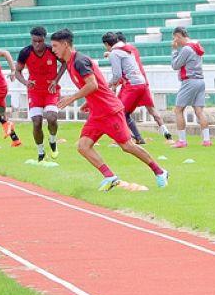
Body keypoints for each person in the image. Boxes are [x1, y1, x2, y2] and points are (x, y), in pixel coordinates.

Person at [50, 29, 168, 191]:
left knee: (127, 146)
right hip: (97, 113)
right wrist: (89, 102)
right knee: (83, 146)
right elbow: (96, 86)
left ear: (65, 45)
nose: (53, 50)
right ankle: (110, 176)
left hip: (109, 110)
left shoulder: (79, 61)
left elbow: (93, 84)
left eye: (55, 46)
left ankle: (160, 171)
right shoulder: (69, 62)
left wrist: (72, 98)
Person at [110, 32, 173, 142]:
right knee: (152, 110)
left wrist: (114, 84)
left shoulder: (119, 52)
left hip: (132, 84)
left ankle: (129, 137)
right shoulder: (131, 50)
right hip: (143, 83)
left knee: (120, 111)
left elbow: (122, 72)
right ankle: (167, 134)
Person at [14, 26, 61, 160]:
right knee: (36, 122)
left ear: (44, 39)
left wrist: (56, 80)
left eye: (39, 41)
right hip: (34, 92)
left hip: (50, 91)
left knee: (51, 117)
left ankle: (52, 140)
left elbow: (64, 63)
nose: (36, 44)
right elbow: (17, 71)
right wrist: (25, 82)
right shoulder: (25, 52)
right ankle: (40, 151)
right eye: (34, 41)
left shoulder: (52, 50)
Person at [102, 32, 157, 145]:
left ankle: (125, 138)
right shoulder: (126, 50)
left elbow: (117, 75)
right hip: (141, 83)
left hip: (133, 85)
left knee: (118, 112)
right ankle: (137, 138)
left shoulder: (115, 53)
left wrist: (108, 85)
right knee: (124, 113)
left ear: (107, 44)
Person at [170, 27, 211, 147]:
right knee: (199, 111)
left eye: (175, 38)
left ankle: (182, 141)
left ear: (178, 36)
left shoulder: (186, 49)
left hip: (189, 81)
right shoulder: (196, 45)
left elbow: (175, 65)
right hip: (200, 80)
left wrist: (174, 50)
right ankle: (206, 140)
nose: (175, 41)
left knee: (178, 110)